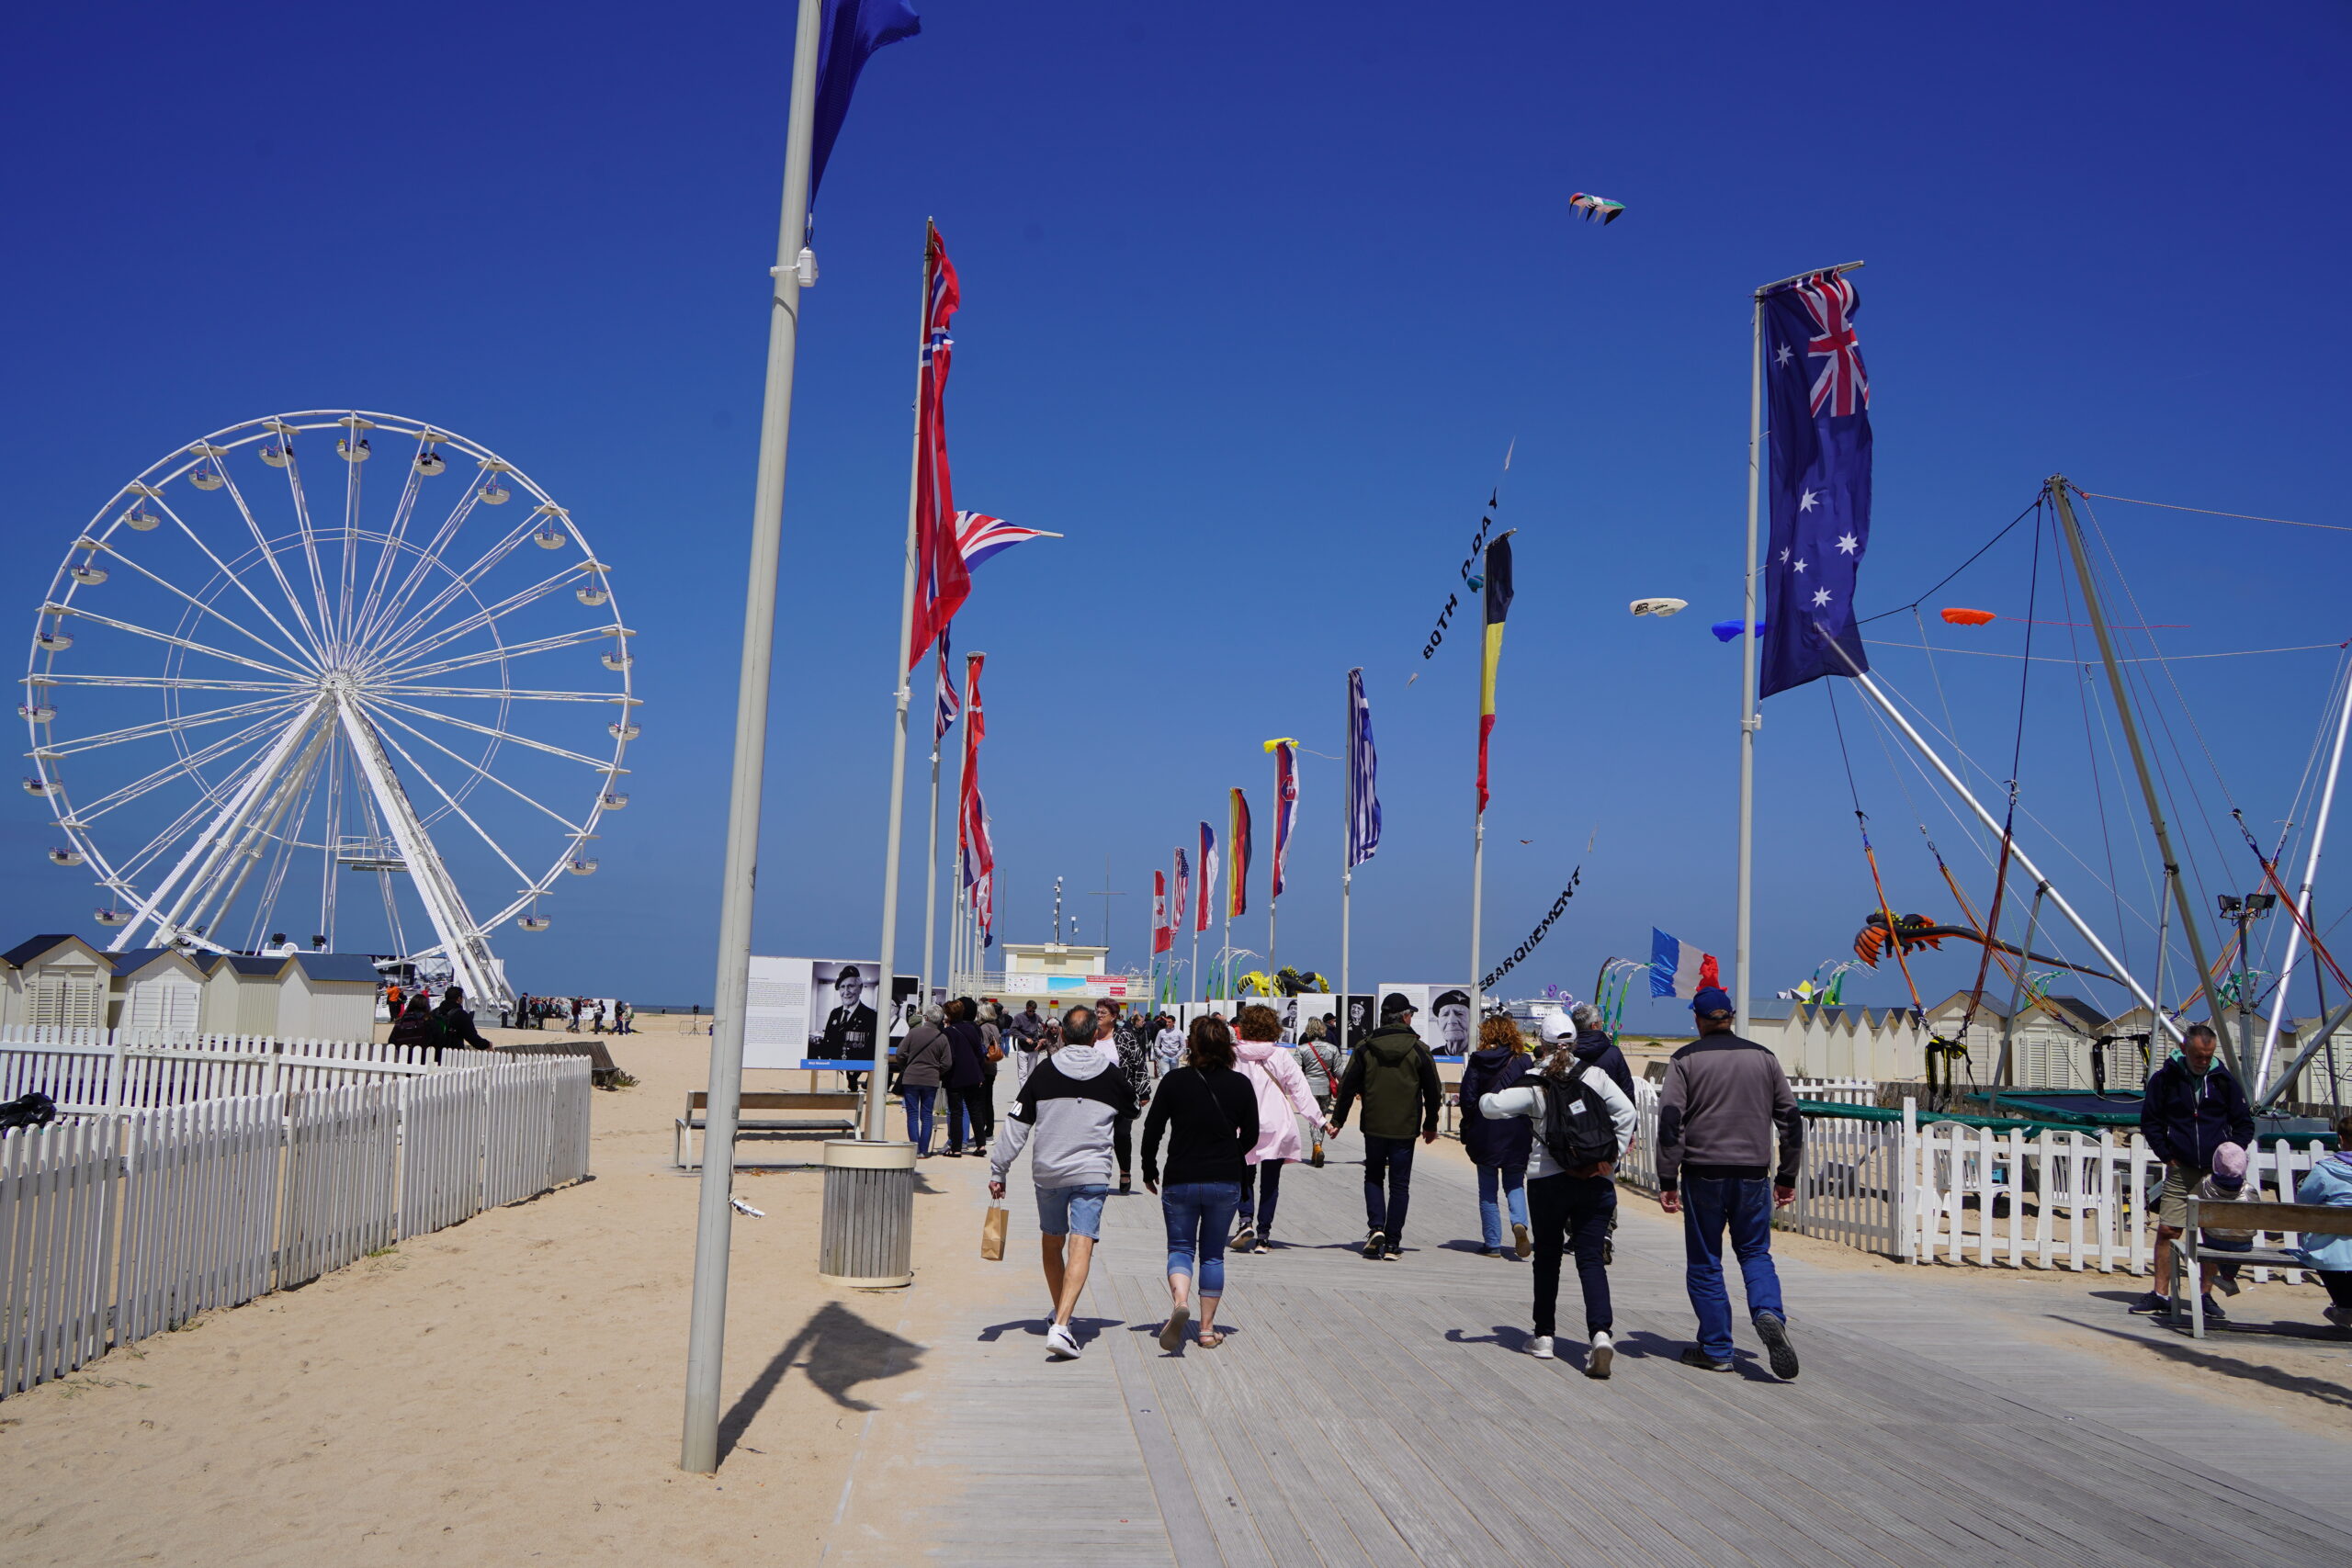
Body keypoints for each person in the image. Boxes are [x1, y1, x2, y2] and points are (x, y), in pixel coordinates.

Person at [1657, 986, 1803, 1378]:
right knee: (1755, 1253)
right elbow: (1790, 1119)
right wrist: (1787, 1174)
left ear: (1698, 1020)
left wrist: (1667, 1177)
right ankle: (1769, 1312)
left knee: (1706, 1261)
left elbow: (1671, 1122)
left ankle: (1717, 1348)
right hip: (1754, 1173)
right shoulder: (1765, 1058)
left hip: (1703, 1173)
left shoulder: (1684, 1059)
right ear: (1731, 1016)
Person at [1480, 1021, 1639, 1373]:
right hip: (1596, 1180)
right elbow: (1627, 1112)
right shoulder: (1595, 1076)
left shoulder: (1536, 1082)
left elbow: (1490, 1107)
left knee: (1548, 1258)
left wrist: (1500, 1083)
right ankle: (1600, 1334)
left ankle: (1545, 1337)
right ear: (1575, 1042)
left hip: (1547, 1180)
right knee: (1591, 1259)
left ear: (1543, 1043)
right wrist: (1609, 1159)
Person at [989, 1004, 1136, 1360]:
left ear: (1064, 1035)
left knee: (1052, 1243)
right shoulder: (1113, 1075)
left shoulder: (1044, 1073)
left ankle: (1061, 1317)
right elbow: (1132, 1111)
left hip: (1049, 1172)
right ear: (1095, 1035)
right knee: (1082, 1245)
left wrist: (999, 1169)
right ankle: (1062, 1322)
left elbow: (1016, 1125)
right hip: (1092, 1172)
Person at [1141, 1015, 1261, 1351]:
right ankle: (1206, 1331)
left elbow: (1153, 1129)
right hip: (1224, 1180)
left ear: (1191, 1045)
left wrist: (1148, 1167)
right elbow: (1252, 1134)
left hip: (1181, 1177)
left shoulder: (1175, 1081)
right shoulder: (1240, 1085)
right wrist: (1229, 1151)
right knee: (1212, 1256)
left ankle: (1180, 1303)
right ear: (1226, 1046)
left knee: (1180, 1248)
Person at [2132, 1022, 2256, 1316]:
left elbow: (2244, 1124)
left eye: (2208, 1055)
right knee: (2168, 1229)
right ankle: (2160, 1293)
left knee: (2214, 1235)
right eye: (2199, 1055)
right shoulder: (2165, 1079)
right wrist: (2166, 1154)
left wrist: (2228, 1154)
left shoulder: (2224, 1080)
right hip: (2181, 1166)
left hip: (2217, 1174)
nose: (2204, 1060)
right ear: (2186, 1048)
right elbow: (2151, 1121)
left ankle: (2205, 1295)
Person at [1330, 993, 1443, 1260]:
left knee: (1373, 1176)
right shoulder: (1419, 1049)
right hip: (1405, 1127)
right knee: (1400, 1185)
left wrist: (1338, 1121)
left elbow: (1347, 1087)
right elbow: (1433, 1091)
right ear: (1405, 1016)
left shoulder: (1365, 1047)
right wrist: (1430, 1124)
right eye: (1411, 1014)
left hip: (1374, 1125)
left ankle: (1376, 1229)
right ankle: (1392, 1244)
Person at [1230, 1004, 1329, 1253]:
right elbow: (1300, 1091)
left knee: (1244, 1176)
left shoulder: (1233, 1054)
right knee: (1271, 1182)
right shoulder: (1281, 1055)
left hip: (1244, 1124)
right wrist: (1321, 1121)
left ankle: (1245, 1221)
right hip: (1276, 1123)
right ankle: (1263, 1236)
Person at [1459, 1014, 1535, 1259]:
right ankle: (1519, 1223)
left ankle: (1492, 1243)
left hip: (1486, 1129)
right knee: (1514, 1183)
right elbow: (1534, 1094)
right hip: (1517, 1130)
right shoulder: (1524, 1061)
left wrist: (1470, 1122)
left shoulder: (1478, 1060)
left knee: (1488, 1190)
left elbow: (1468, 1097)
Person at [2293, 1115, 2352, 1331]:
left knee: (2330, 1254)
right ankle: (2345, 1307)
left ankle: (2345, 1306)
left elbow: (2305, 1201)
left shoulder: (2325, 1170)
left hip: (2329, 1246)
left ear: (2340, 1138)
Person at [2190, 1141, 2256, 1305]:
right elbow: (2257, 1212)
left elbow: (2191, 1200)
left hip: (2215, 1240)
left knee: (2218, 1236)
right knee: (2238, 1238)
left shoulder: (2206, 1183)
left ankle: (2227, 1278)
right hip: (2243, 1244)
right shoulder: (2248, 1188)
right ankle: (2228, 1277)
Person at [895, 1005, 953, 1156]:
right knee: (927, 1115)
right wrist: (937, 1072)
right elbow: (947, 1063)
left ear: (925, 1017)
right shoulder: (942, 1038)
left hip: (911, 1078)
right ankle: (923, 1150)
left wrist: (906, 1067)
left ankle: (914, 1149)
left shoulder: (914, 1033)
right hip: (931, 1080)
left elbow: (900, 1053)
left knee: (912, 1115)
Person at [1108, 1007, 1154, 1193]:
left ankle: (1124, 1170)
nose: (1100, 1014)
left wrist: (1143, 1091)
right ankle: (1097, 1174)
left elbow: (1138, 1061)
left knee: (1121, 1134)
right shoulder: (1090, 1034)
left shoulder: (1125, 1035)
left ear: (1114, 1016)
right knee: (1096, 1135)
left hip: (1122, 1092)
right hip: (1094, 1094)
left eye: (1104, 1011)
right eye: (1098, 1011)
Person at [941, 999, 992, 1156]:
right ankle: (981, 1145)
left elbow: (948, 1057)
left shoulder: (948, 1032)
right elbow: (979, 1053)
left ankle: (956, 1148)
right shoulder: (973, 1029)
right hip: (973, 1074)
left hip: (955, 1076)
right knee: (975, 1109)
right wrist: (980, 1073)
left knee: (956, 1111)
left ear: (949, 1015)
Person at [432, 986, 495, 1054]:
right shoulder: (461, 1015)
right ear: (459, 999)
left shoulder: (434, 1013)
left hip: (432, 1053)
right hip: (452, 1055)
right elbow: (472, 1038)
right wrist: (487, 1044)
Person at [1010, 1000, 1046, 1086]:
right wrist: (1025, 1038)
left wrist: (1042, 1040)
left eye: (1033, 1011)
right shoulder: (1018, 1017)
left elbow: (1043, 1029)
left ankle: (1029, 1093)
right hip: (1022, 1048)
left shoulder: (1037, 1017)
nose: (1031, 1013)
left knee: (1031, 1074)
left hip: (1034, 1048)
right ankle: (1023, 1095)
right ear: (1026, 1008)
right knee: (1023, 1073)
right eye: (1030, 1011)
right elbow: (1012, 1030)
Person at [1430, 989, 1475, 1056]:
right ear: (1438, 1024)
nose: (1452, 1021)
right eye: (1445, 1014)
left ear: (1471, 1021)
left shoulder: (1480, 1056)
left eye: (1459, 1014)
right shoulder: (1433, 1055)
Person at [1153, 1013, 1185, 1077]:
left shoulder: (1179, 1032)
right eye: (1166, 1022)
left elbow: (1183, 1047)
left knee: (1174, 1077)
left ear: (1174, 1022)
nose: (1167, 1024)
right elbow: (1156, 1046)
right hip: (1164, 1057)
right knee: (1165, 1077)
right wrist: (1162, 1055)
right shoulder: (1161, 1032)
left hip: (1175, 1057)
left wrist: (1177, 1056)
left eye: (1169, 1022)